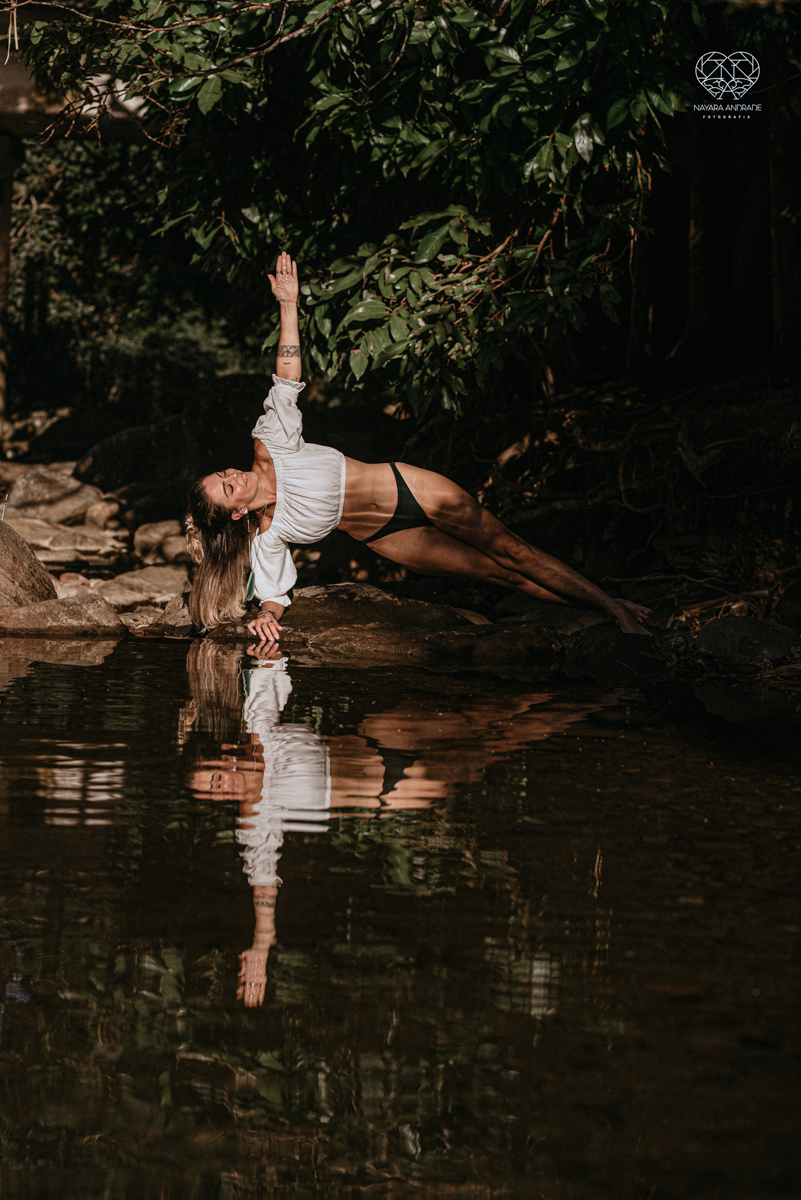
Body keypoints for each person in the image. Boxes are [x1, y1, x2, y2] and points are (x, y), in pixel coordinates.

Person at [185, 253, 651, 642]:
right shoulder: (267, 534)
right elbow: (274, 593)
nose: (234, 476)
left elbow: (287, 377)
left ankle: (614, 607)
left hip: (406, 486)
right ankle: (602, 611)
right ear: (236, 514)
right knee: (498, 574)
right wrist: (268, 616)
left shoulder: (271, 445)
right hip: (386, 537)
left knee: (515, 552)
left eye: (224, 474)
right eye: (227, 489)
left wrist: (288, 305)